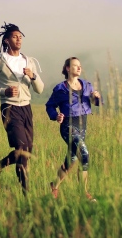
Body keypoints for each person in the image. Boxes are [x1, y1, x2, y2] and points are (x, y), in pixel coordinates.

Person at [0, 22, 44, 194]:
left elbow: (40, 89)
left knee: (26, 152)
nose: (19, 39)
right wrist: (4, 91)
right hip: (9, 108)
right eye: (15, 37)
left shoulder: (29, 61)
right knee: (22, 149)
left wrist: (33, 76)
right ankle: (26, 192)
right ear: (7, 40)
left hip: (26, 109)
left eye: (21, 37)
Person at [45, 57, 100, 200]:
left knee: (71, 160)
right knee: (84, 154)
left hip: (83, 126)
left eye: (80, 66)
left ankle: (54, 186)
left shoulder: (87, 86)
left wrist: (96, 97)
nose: (79, 68)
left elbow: (95, 102)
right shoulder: (60, 89)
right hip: (68, 126)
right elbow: (49, 105)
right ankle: (83, 193)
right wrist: (55, 116)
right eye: (75, 66)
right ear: (68, 69)